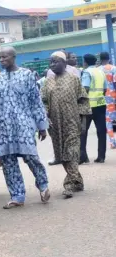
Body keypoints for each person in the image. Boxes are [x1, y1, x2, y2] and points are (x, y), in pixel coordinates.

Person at [0, 47, 50, 209]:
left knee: (31, 157)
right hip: (4, 127)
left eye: (5, 57)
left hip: (24, 125)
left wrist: (41, 126)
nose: (2, 60)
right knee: (8, 162)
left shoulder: (27, 75)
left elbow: (35, 101)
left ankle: (43, 185)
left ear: (14, 57)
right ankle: (17, 195)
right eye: (0, 57)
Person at [41, 52, 91, 198]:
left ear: (64, 63)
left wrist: (83, 122)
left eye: (55, 62)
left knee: (71, 152)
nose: (52, 65)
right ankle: (78, 181)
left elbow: (83, 100)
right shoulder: (47, 81)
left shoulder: (74, 79)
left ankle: (68, 185)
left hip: (72, 122)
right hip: (54, 124)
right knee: (62, 155)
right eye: (50, 62)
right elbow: (43, 101)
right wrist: (44, 117)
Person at [80, 53, 108, 163]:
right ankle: (101, 156)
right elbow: (105, 89)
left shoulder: (87, 72)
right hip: (101, 105)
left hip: (88, 106)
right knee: (101, 131)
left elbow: (85, 88)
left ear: (85, 62)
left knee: (83, 131)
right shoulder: (101, 72)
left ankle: (83, 157)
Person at [98, 52, 116, 149]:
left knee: (108, 120)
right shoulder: (113, 68)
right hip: (113, 96)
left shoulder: (98, 70)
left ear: (100, 59)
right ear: (109, 58)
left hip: (103, 97)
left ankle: (112, 143)